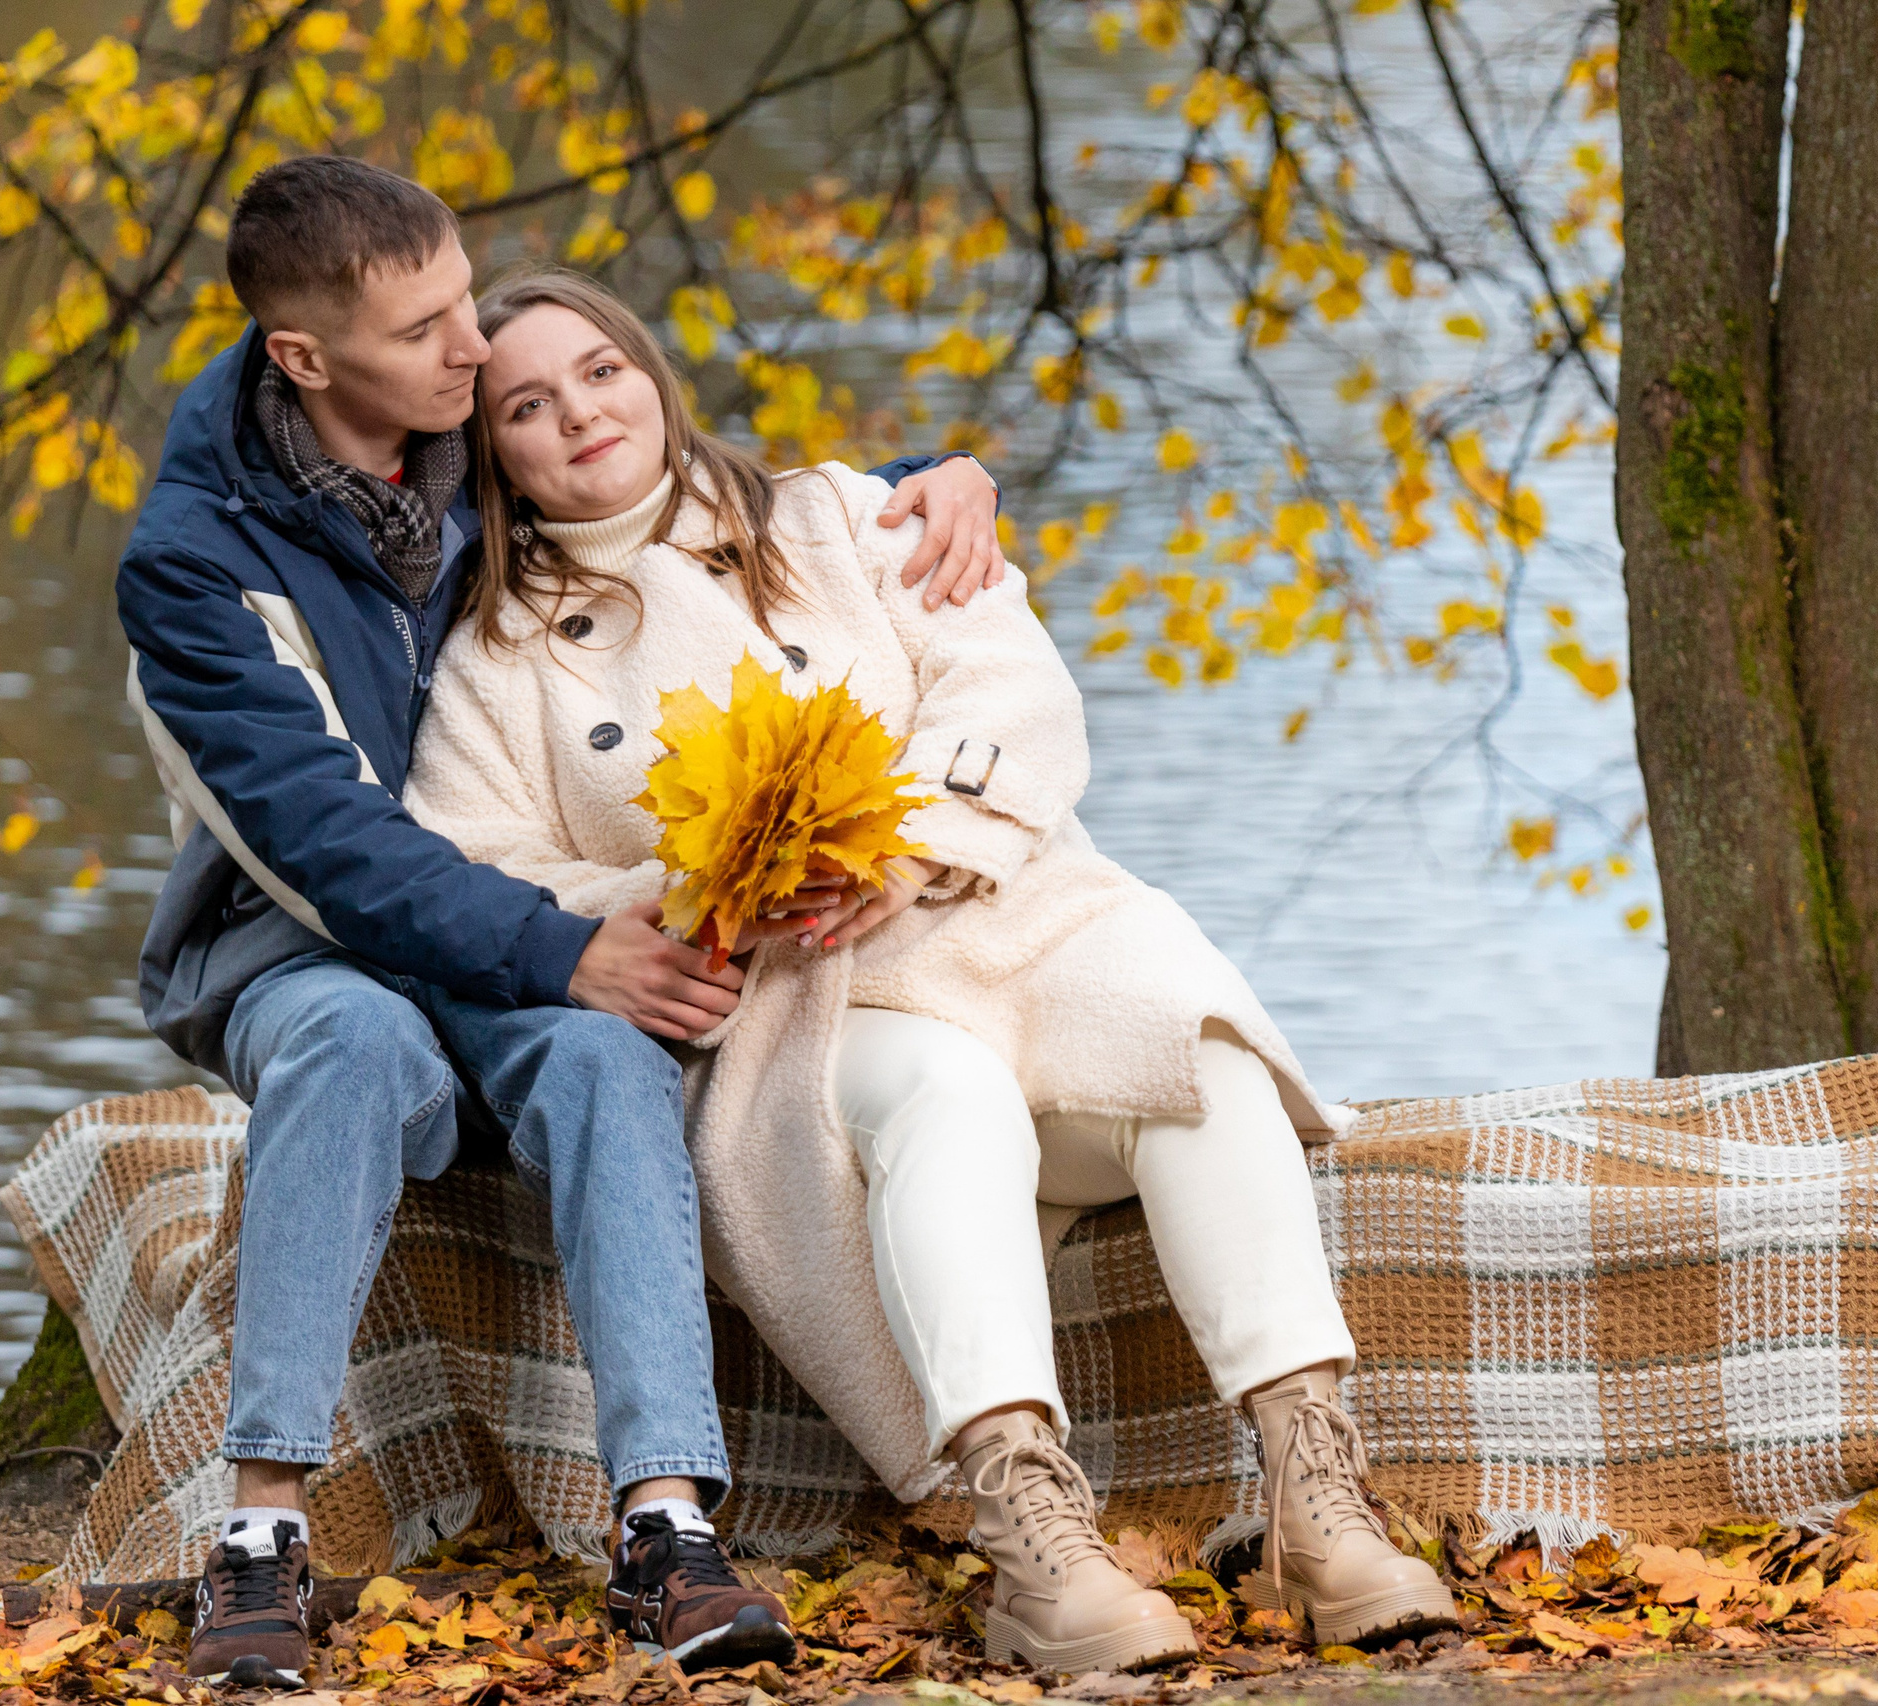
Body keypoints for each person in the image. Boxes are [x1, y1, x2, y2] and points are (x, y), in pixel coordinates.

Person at [401, 267, 1464, 1676]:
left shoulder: (834, 514)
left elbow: (1004, 676)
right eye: (528, 405)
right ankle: (1034, 1535)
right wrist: (701, 890)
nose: (581, 415)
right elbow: (480, 860)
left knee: (1191, 1042)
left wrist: (902, 844)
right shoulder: (497, 650)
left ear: (649, 368)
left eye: (601, 370)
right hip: (801, 1007)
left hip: (1001, 916)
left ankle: (1315, 1497)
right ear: (495, 454)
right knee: (950, 1094)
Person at [115, 158, 1009, 1687]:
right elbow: (328, 846)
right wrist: (566, 951)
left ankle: (665, 1526)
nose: (475, 351)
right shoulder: (195, 566)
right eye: (428, 329)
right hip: (305, 943)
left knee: (601, 1065)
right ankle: (259, 1529)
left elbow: (681, 469)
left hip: (506, 918)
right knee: (344, 1037)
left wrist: (940, 472)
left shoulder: (455, 424)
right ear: (306, 361)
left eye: (469, 300)